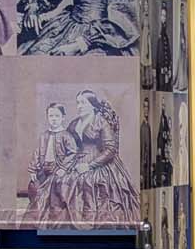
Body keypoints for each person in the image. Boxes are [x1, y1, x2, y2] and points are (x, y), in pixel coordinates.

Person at [52, 89, 139, 228]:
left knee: (89, 181)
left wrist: (89, 166)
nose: (79, 106)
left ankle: (90, 223)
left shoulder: (101, 122)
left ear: (92, 104)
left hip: (100, 162)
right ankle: (67, 225)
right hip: (76, 160)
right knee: (61, 180)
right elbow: (67, 144)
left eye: (83, 103)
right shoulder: (74, 124)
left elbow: (111, 149)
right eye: (78, 103)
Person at [23, 102, 78, 223]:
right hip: (44, 169)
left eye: (57, 116)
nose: (54, 119)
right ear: (47, 117)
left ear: (63, 117)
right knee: (34, 187)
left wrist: (63, 168)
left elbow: (73, 153)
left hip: (58, 169)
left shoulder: (66, 136)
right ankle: (37, 215)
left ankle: (53, 217)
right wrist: (33, 169)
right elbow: (37, 152)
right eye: (51, 116)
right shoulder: (44, 135)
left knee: (53, 191)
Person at [140, 95, 152, 190]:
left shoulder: (148, 126)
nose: (146, 109)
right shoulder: (143, 127)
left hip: (147, 166)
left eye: (147, 107)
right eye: (144, 106)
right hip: (143, 167)